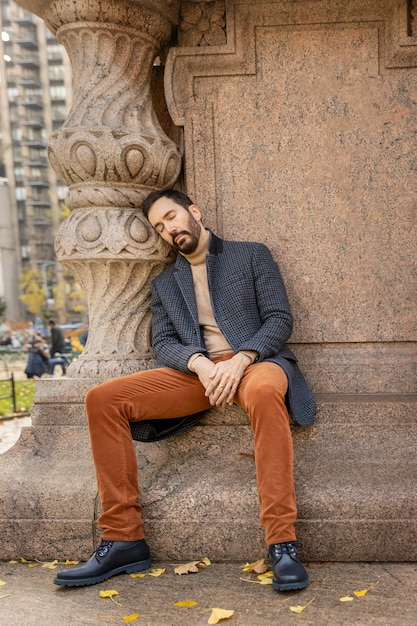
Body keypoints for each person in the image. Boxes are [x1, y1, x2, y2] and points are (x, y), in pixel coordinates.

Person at [54, 189, 316, 592]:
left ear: (194, 211)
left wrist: (241, 360)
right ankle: (123, 538)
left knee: (264, 394)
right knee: (102, 399)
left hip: (257, 364)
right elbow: (164, 342)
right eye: (160, 227)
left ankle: (282, 544)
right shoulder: (165, 283)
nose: (169, 229)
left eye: (172, 216)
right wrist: (201, 363)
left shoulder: (250, 255)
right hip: (199, 374)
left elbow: (279, 319)